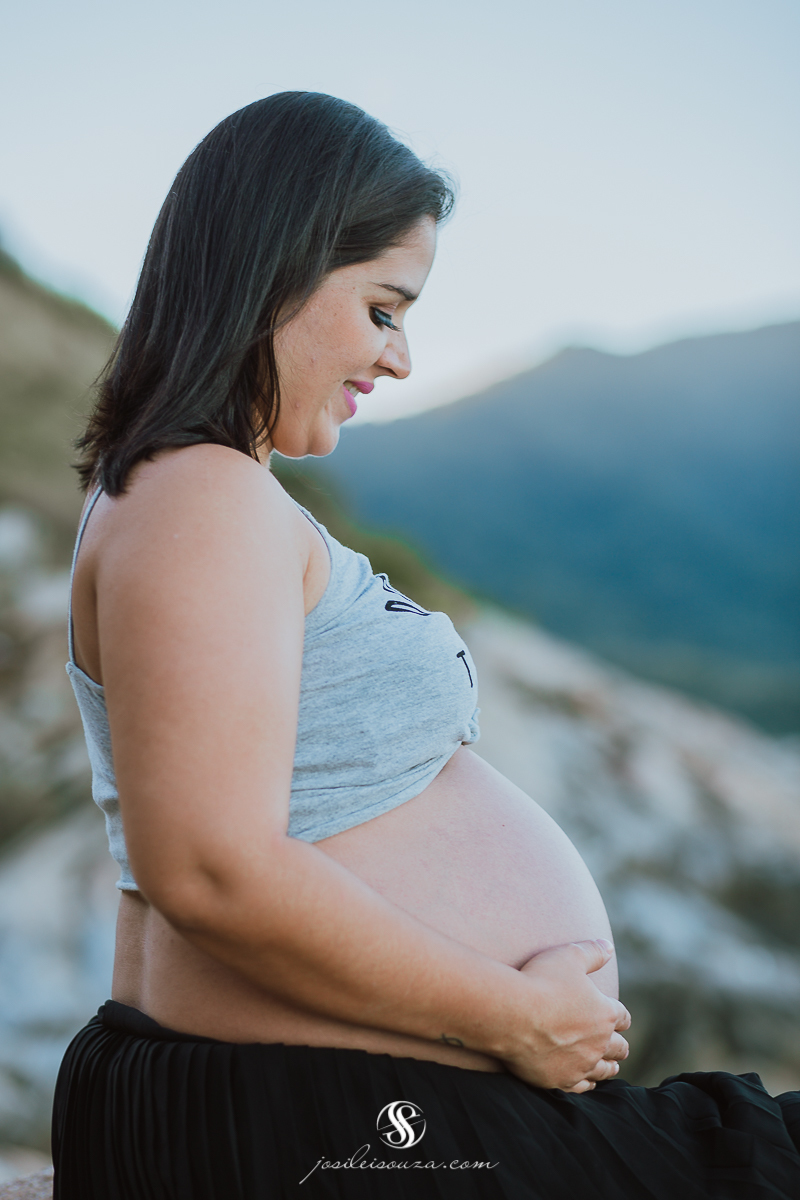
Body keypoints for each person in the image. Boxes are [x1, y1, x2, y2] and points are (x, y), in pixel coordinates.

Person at [53, 93, 799, 1199]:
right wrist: (517, 1016)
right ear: (275, 267)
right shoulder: (198, 498)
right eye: (382, 309)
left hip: (334, 1106)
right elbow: (204, 869)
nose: (397, 358)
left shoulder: (213, 497)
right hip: (313, 1121)